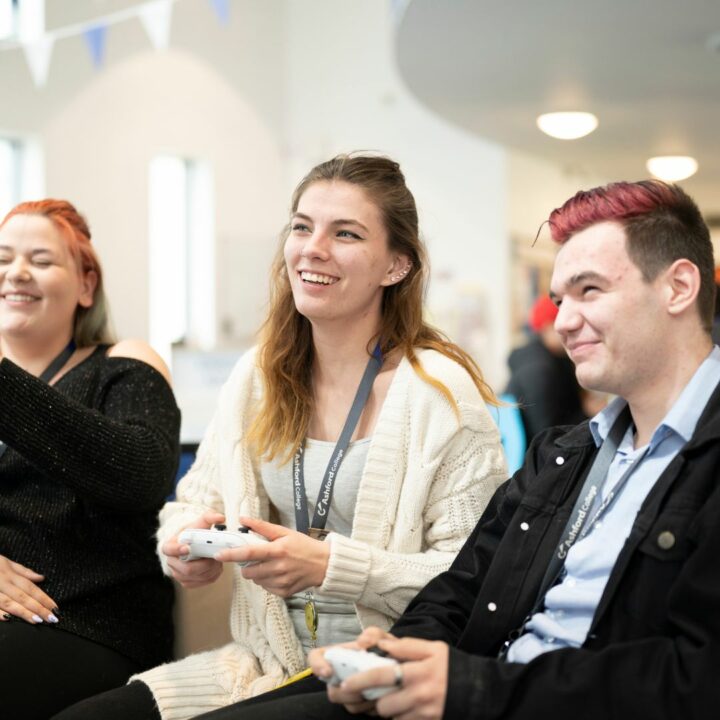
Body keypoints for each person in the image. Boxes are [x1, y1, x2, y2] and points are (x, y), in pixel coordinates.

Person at [185, 178, 720, 719]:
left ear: (678, 287)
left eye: (590, 291)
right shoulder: (568, 454)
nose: (563, 321)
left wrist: (471, 686)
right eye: (559, 298)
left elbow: (695, 678)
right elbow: (463, 585)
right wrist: (392, 653)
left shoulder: (702, 460)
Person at [54, 154, 507, 720]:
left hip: (380, 670)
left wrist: (326, 566)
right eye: (301, 226)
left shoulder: (440, 393)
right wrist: (185, 545)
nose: (312, 248)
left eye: (345, 233)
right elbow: (193, 502)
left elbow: (479, 575)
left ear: (396, 266)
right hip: (264, 664)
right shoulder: (259, 376)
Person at [0, 200, 181, 718]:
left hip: (91, 622)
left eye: (41, 259)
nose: (16, 272)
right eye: (3, 258)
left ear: (85, 285)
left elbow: (139, 475)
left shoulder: (123, 364)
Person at [505, 293, 587, 442]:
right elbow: (547, 435)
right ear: (547, 327)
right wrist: (588, 414)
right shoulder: (539, 370)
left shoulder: (555, 359)